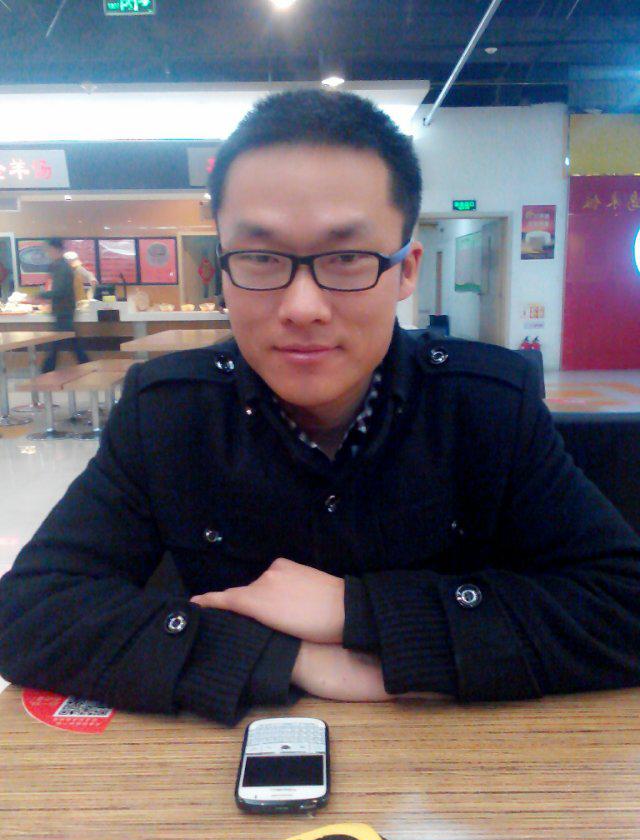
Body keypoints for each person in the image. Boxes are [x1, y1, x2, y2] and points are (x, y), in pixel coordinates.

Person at [0, 90, 639, 726]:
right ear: (223, 271)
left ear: (406, 270)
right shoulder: (165, 414)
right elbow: (27, 612)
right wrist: (287, 659)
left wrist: (356, 611)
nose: (302, 307)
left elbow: (624, 603)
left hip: (461, 769)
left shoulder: (488, 406)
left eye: (347, 258)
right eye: (259, 257)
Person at [39, 238, 90, 372]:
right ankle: (88, 367)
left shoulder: (62, 267)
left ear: (55, 249)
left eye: (48, 249)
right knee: (69, 344)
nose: (47, 252)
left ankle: (45, 373)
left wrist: (40, 296)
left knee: (58, 345)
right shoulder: (60, 266)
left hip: (63, 312)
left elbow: (60, 291)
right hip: (64, 311)